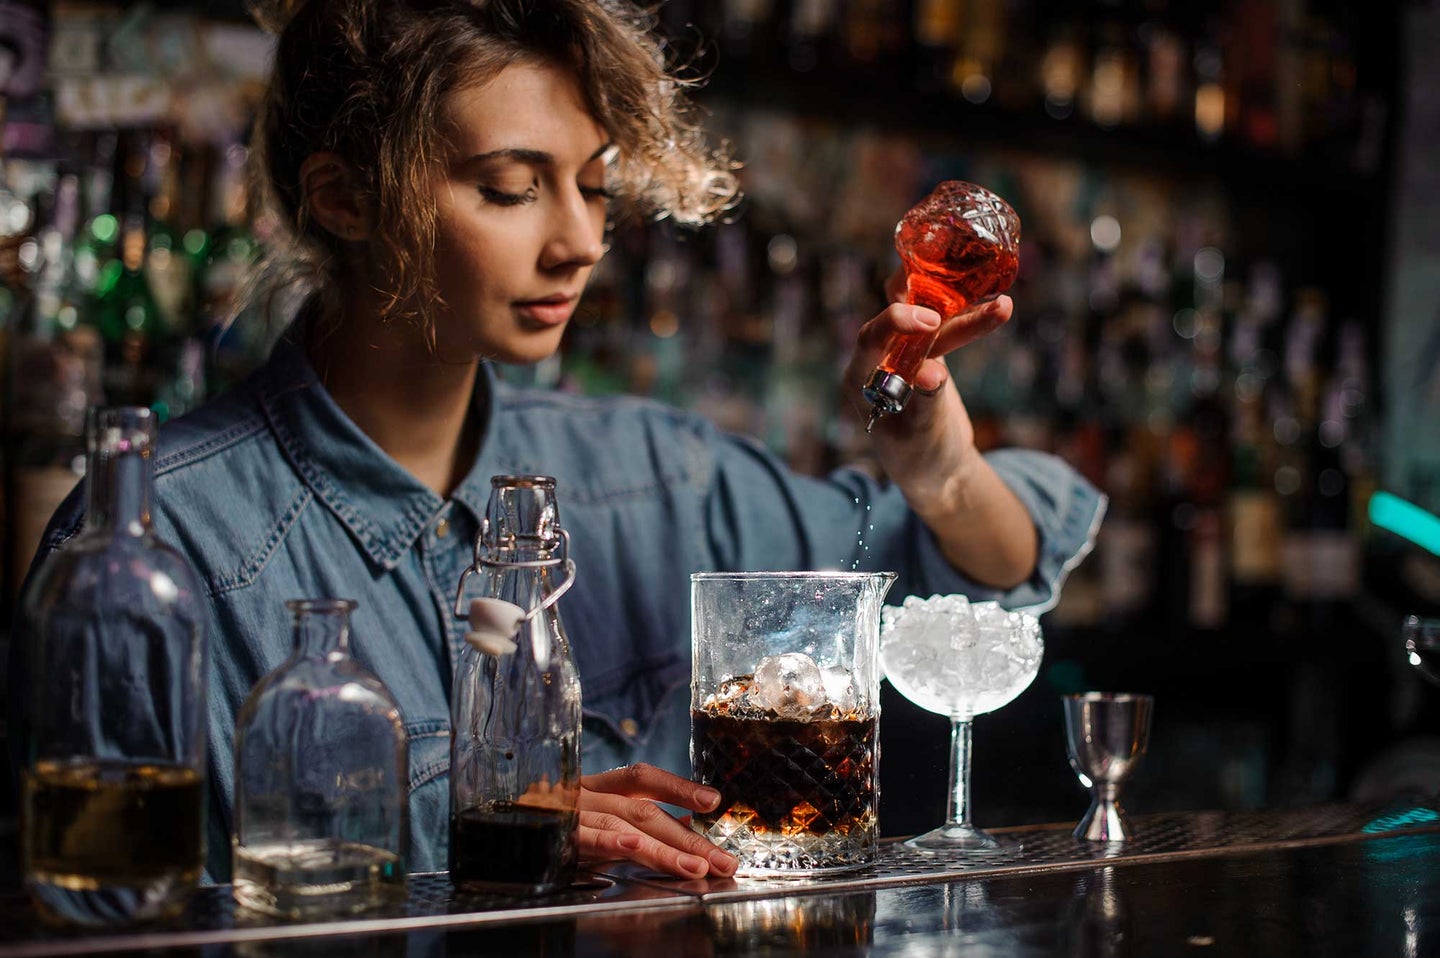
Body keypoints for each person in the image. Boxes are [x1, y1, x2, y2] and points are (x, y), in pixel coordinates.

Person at [9, 0, 1104, 883]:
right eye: (510, 189)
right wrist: (475, 833)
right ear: (344, 198)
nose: (578, 242)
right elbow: (100, 909)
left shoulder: (657, 476)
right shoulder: (163, 547)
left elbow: (972, 593)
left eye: (593, 188)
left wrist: (940, 466)